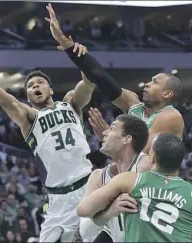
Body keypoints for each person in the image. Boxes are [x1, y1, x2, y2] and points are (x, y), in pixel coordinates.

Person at [0, 38, 95, 243]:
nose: (35, 85)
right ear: (28, 96)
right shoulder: (30, 119)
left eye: (40, 83)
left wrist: (81, 58)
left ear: (51, 90)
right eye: (30, 85)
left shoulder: (71, 103)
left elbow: (88, 83)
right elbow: (5, 100)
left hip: (88, 185)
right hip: (59, 199)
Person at [45, 3, 184, 160]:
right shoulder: (134, 105)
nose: (147, 84)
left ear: (167, 93)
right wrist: (70, 47)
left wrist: (110, 138)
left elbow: (144, 154)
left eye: (155, 82)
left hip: (155, 182)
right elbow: (101, 77)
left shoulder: (170, 116)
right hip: (134, 179)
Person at [77, 133, 192, 242]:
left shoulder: (130, 180)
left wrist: (111, 209)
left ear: (153, 157)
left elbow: (83, 210)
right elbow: (190, 234)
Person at [79, 114, 149, 242]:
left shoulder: (146, 166)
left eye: (111, 128)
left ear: (126, 139)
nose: (103, 133)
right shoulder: (98, 176)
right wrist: (110, 211)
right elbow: (85, 231)